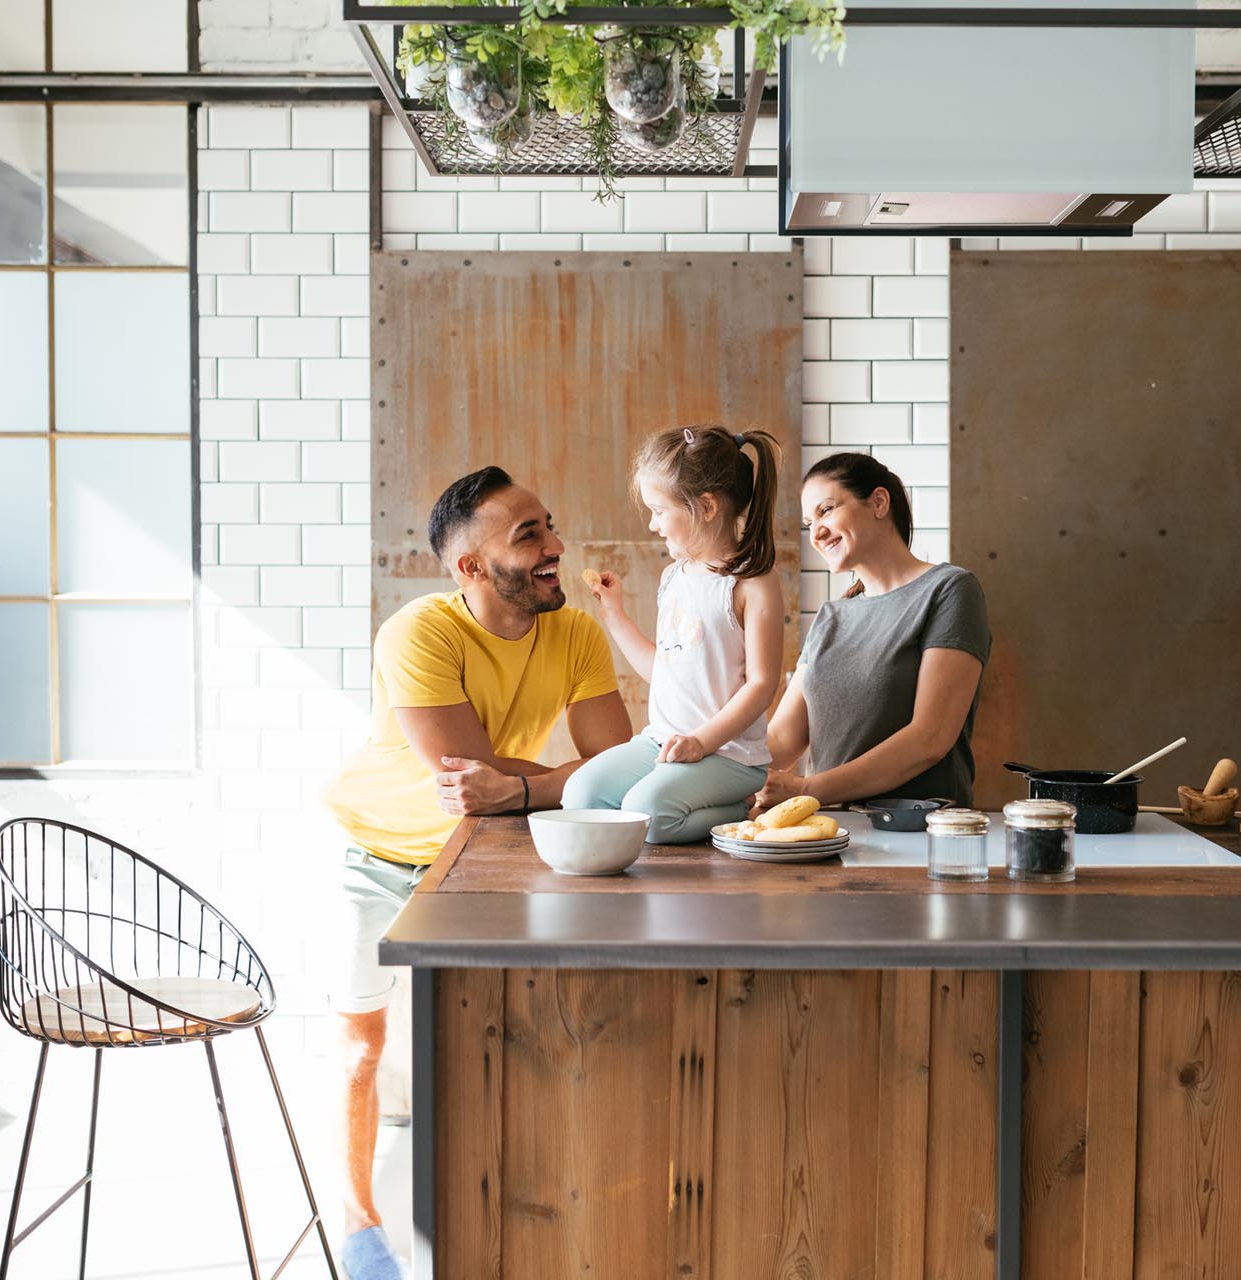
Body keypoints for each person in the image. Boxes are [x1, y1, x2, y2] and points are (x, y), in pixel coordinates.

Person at [318, 465, 631, 1279]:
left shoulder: (576, 634)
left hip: (492, 855)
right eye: (529, 536)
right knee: (362, 1051)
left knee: (499, 1040)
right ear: (469, 567)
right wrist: (553, 784)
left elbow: (620, 772)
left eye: (549, 527)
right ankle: (358, 1229)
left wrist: (524, 787)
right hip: (381, 856)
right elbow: (470, 778)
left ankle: (504, 1229)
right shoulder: (418, 632)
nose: (556, 547)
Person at [566, 426, 786, 843]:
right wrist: (615, 616)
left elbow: (762, 684)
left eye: (660, 511)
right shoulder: (673, 578)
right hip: (661, 744)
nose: (652, 525)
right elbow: (665, 671)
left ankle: (737, 809)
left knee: (647, 814)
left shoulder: (752, 583)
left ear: (705, 507)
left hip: (729, 756)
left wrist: (701, 742)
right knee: (580, 796)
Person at [752, 451, 991, 814]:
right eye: (807, 522)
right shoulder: (832, 616)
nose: (815, 532)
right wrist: (706, 759)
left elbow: (930, 739)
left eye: (826, 510)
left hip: (918, 832)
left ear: (879, 502)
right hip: (831, 829)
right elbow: (783, 738)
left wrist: (808, 789)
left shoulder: (949, 590)